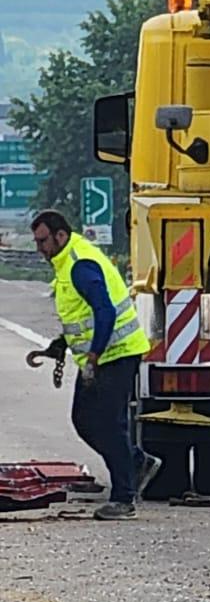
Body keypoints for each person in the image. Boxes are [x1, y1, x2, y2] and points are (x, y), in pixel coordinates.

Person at [29, 210, 159, 519]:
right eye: (36, 242)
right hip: (105, 355)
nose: (39, 248)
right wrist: (60, 345)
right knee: (86, 420)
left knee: (107, 424)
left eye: (43, 241)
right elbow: (81, 319)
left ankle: (124, 497)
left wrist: (94, 356)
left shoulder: (79, 265)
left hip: (115, 354)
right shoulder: (67, 262)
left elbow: (105, 312)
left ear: (60, 236)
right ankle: (136, 462)